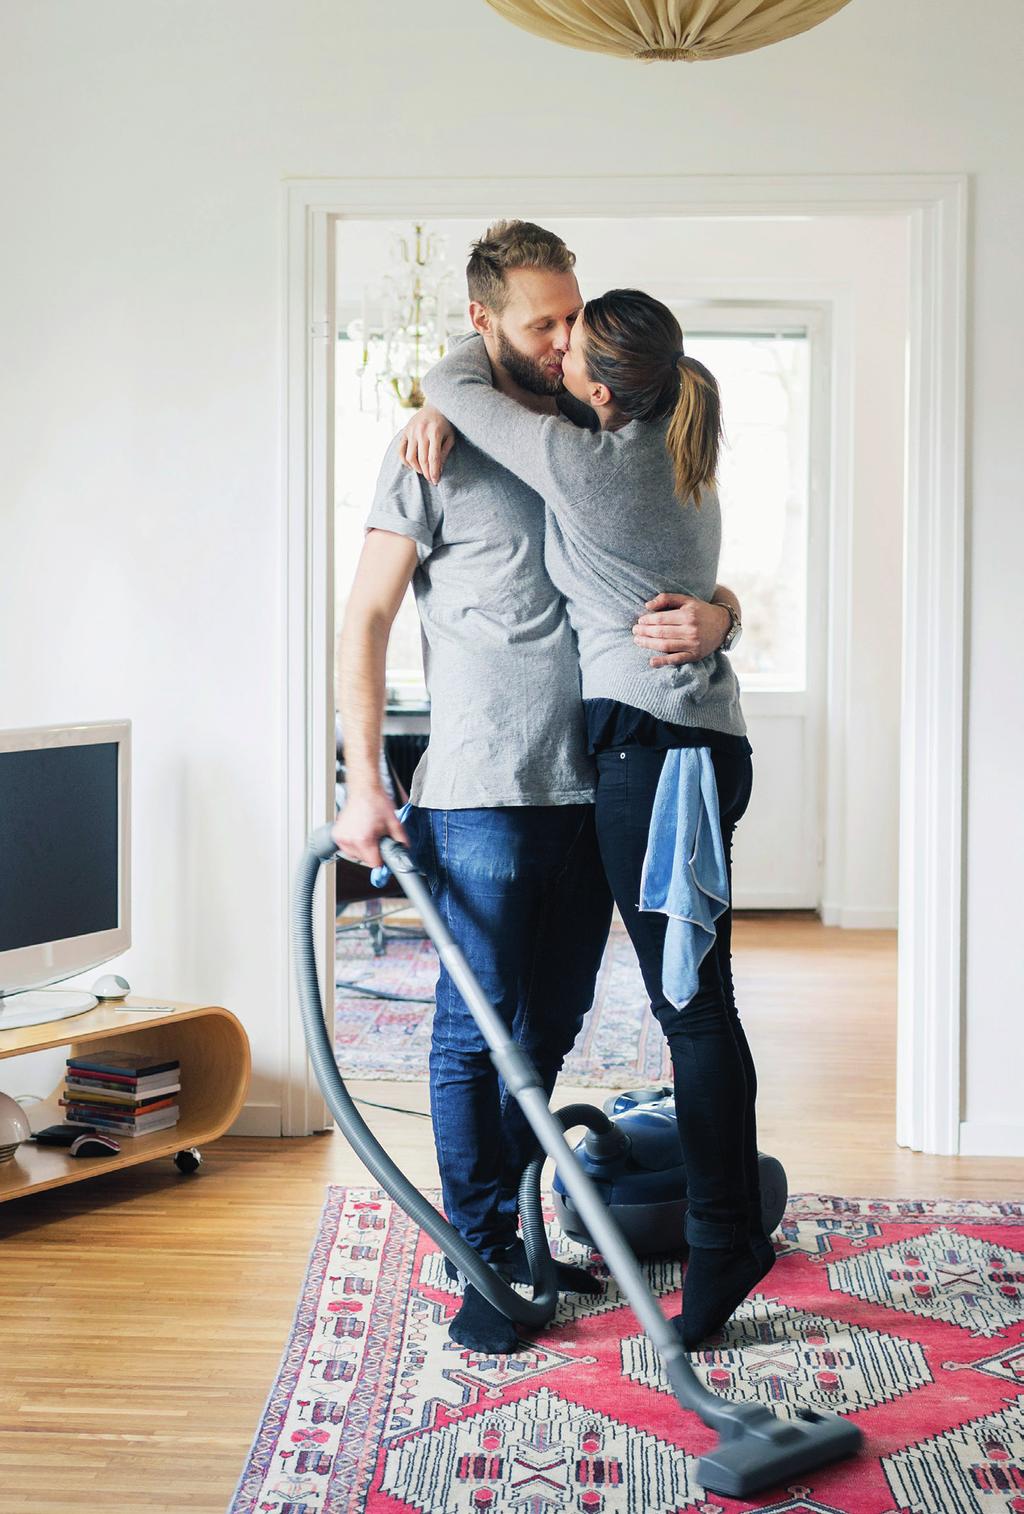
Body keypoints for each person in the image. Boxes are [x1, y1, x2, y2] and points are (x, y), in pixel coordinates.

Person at [333, 221, 741, 1354]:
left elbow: (679, 561)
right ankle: (485, 1263)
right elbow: (364, 616)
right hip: (484, 786)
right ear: (481, 324)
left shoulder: (596, 429)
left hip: (603, 780)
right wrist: (364, 778)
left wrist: (721, 612)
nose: (567, 341)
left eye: (575, 317)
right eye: (542, 324)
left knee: (551, 1025)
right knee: (478, 1036)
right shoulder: (433, 445)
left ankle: (516, 1225)